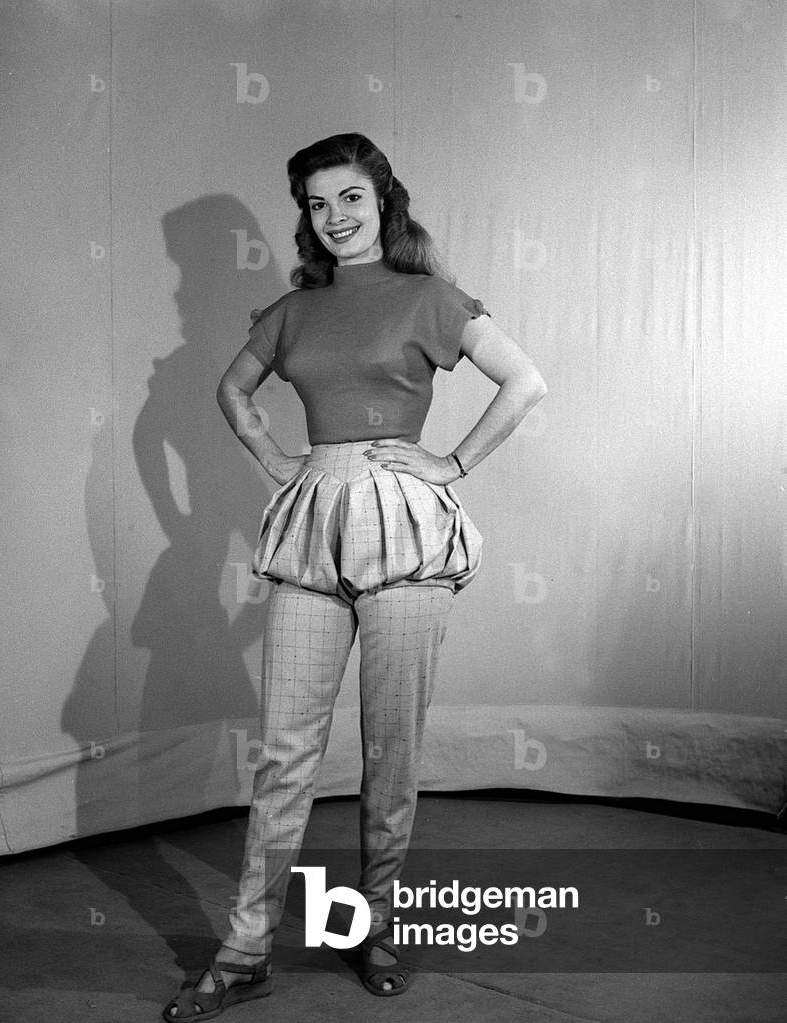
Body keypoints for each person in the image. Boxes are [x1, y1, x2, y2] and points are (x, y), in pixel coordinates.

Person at [162, 132, 547, 1021]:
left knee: (390, 746)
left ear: (383, 201)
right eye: (316, 203)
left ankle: (374, 927)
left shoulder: (430, 299)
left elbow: (524, 381)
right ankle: (247, 946)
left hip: (404, 524)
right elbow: (234, 392)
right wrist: (275, 458)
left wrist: (450, 464)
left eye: (349, 199)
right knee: (286, 750)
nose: (333, 218)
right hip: (312, 522)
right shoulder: (292, 311)